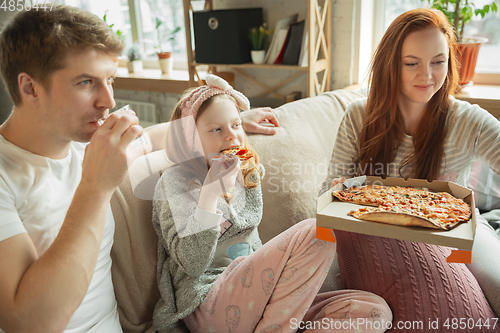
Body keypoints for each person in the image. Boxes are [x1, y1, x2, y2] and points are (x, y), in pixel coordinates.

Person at [0, 6, 279, 332]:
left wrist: (226, 125)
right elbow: (30, 321)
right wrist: (95, 188)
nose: (108, 100)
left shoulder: (84, 145)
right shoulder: (10, 175)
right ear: (30, 88)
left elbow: (153, 138)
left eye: (110, 80)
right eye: (86, 82)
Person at [151, 74, 393, 332]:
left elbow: (255, 251)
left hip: (262, 303)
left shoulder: (247, 173)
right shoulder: (174, 182)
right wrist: (209, 194)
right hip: (208, 303)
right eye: (216, 129)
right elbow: (192, 263)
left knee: (373, 311)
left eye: (235, 125)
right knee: (317, 233)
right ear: (190, 140)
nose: (231, 137)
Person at [322, 8, 500, 320]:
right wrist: (338, 191)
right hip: (373, 232)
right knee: (322, 288)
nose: (427, 76)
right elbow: (329, 190)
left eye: (438, 61)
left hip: (457, 229)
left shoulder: (467, 119)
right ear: (391, 65)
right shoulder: (358, 115)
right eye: (411, 63)